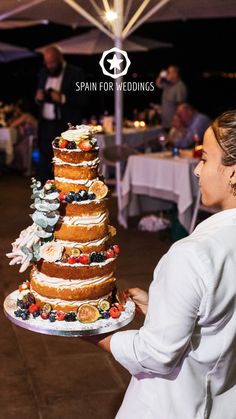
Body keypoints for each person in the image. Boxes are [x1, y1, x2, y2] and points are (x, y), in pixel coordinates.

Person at [89, 110, 236, 418]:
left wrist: (95, 334)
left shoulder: (193, 253)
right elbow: (220, 317)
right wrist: (161, 305)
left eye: (205, 159)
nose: (197, 170)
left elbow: (156, 354)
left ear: (233, 172)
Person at [35, 45, 86, 184]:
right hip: (46, 125)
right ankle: (45, 193)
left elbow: (83, 99)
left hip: (64, 126)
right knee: (45, 160)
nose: (49, 66)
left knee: (66, 160)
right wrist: (39, 97)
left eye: (52, 63)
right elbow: (39, 97)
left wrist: (63, 98)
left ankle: (67, 192)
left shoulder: (76, 73)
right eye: (47, 63)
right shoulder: (44, 72)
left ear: (60, 58)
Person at [9, 98, 37, 174]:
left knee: (17, 148)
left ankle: (25, 168)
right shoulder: (28, 115)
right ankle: (23, 168)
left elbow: (12, 124)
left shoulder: (25, 116)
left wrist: (15, 116)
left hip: (31, 139)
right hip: (30, 138)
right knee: (16, 146)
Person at [156, 65, 188, 130]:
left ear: (175, 74)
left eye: (169, 72)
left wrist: (178, 123)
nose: (167, 74)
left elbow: (182, 107)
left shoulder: (180, 86)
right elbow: (158, 84)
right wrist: (161, 76)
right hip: (165, 123)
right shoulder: (167, 85)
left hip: (175, 125)